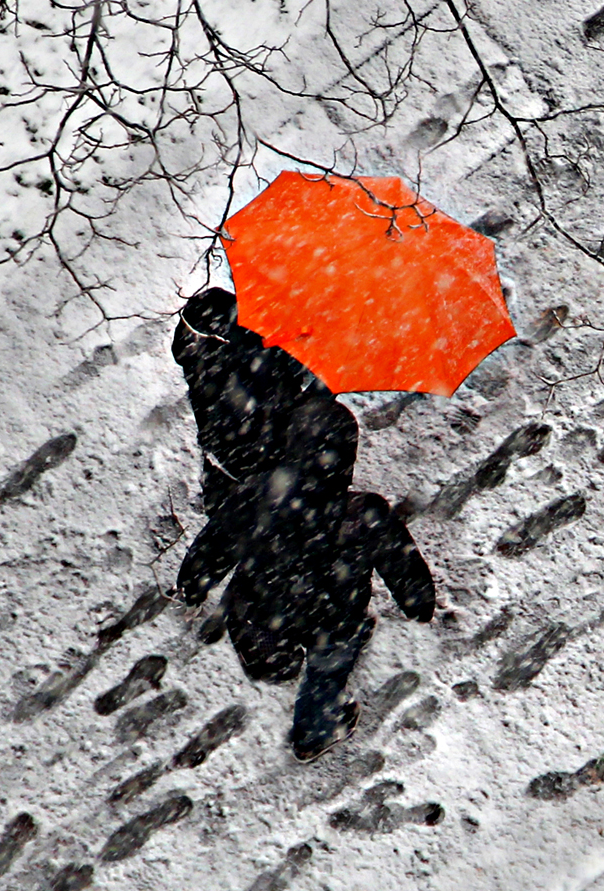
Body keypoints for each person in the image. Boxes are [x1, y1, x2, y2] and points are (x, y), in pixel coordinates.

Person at [176, 395, 438, 757]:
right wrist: (419, 603)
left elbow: (215, 544)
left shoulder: (257, 495)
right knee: (335, 652)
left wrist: (192, 584)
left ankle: (275, 662)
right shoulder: (365, 513)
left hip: (264, 615)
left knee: (258, 610)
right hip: (332, 618)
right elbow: (403, 566)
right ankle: (314, 730)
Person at [172, 287, 329, 512]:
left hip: (236, 479)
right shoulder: (246, 360)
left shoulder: (205, 362)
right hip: (270, 474)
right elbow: (292, 409)